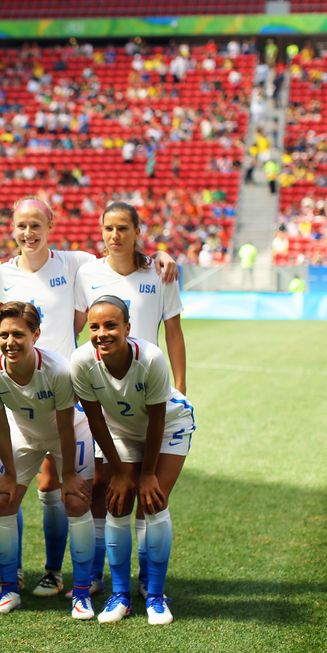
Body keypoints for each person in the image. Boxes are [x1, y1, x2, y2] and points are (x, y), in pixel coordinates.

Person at [0, 196, 180, 597]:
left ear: (52, 223)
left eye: (36, 224)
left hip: (107, 390)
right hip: (48, 395)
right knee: (57, 489)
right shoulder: (4, 274)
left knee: (98, 490)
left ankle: (120, 578)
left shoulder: (76, 263)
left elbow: (124, 256)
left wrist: (158, 253)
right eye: (21, 225)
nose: (28, 232)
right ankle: (63, 573)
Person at [74, 201, 186, 597]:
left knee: (148, 492)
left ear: (138, 231)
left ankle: (145, 581)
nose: (114, 235)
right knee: (105, 488)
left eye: (123, 228)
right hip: (106, 391)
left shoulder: (158, 271)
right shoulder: (86, 271)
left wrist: (181, 386)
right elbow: (76, 325)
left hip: (149, 388)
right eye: (108, 228)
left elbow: (173, 330)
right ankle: (100, 573)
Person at [71, 295, 195, 625]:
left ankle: (155, 594)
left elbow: (156, 420)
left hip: (168, 426)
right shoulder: (81, 361)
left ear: (127, 327)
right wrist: (122, 473)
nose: (102, 333)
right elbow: (95, 420)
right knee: (118, 502)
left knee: (154, 501)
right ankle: (120, 594)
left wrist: (147, 474)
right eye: (94, 327)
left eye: (111, 325)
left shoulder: (151, 359)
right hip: (120, 431)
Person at [0, 302, 96, 619]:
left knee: (75, 500)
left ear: (36, 335)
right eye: (3, 334)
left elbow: (65, 426)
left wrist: (69, 473)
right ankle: (9, 590)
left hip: (68, 434)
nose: (10, 342)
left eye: (18, 334)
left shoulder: (57, 370)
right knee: (3, 498)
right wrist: (9, 472)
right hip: (23, 434)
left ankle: (81, 593)